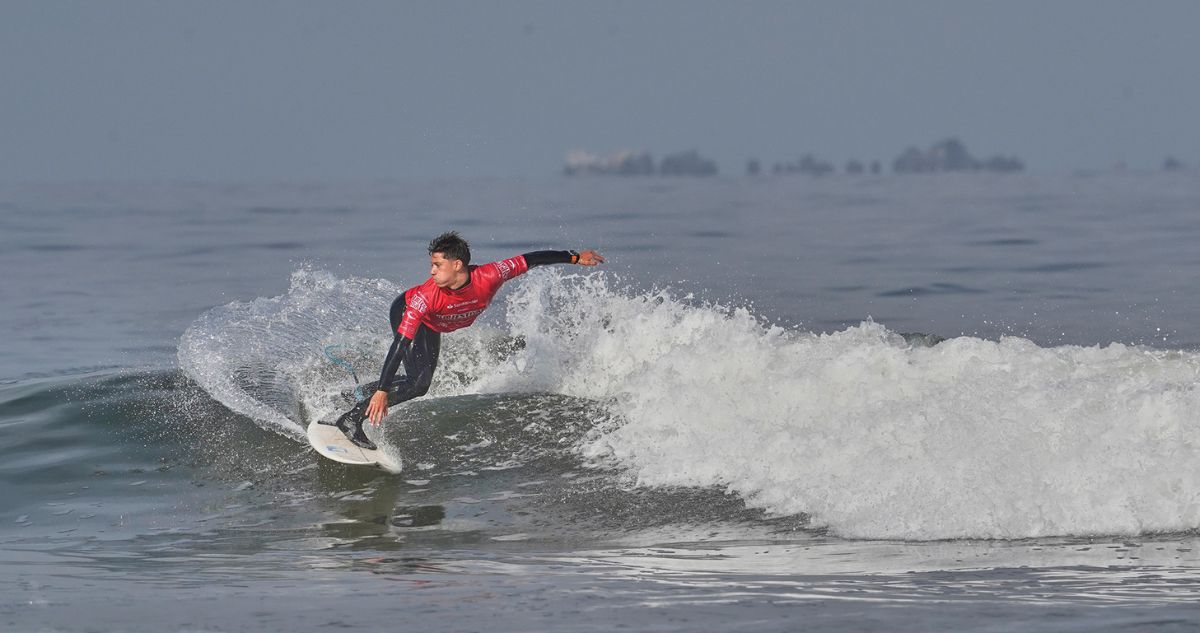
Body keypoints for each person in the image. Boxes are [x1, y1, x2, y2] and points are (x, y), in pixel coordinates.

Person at [328, 231, 605, 449]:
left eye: (437, 265)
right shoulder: (425, 296)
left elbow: (530, 259)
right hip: (409, 312)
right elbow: (399, 345)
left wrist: (574, 258)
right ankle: (352, 418)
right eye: (431, 265)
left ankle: (360, 392)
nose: (432, 271)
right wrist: (384, 391)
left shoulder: (491, 275)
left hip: (433, 325)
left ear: (457, 264)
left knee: (418, 382)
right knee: (418, 383)